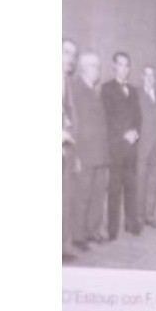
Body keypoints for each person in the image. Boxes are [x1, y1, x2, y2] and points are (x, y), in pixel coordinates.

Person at [69, 51, 109, 248]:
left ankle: (93, 230)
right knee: (83, 196)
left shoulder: (94, 90)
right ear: (84, 67)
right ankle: (79, 237)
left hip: (99, 154)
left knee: (97, 195)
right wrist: (76, 154)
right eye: (95, 66)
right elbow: (75, 124)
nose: (98, 70)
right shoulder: (76, 89)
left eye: (99, 67)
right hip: (85, 154)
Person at [101, 51, 142, 238]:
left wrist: (136, 132)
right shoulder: (107, 89)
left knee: (131, 186)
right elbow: (108, 118)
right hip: (116, 147)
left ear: (129, 68)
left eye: (126, 65)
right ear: (114, 67)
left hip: (131, 148)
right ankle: (112, 229)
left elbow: (138, 116)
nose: (124, 69)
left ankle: (131, 223)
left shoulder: (133, 91)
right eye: (120, 64)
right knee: (115, 189)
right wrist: (124, 134)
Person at [136, 65, 156, 228]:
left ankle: (150, 215)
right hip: (142, 147)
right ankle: (139, 217)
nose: (149, 78)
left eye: (152, 76)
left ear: (154, 79)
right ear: (142, 77)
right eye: (147, 75)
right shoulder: (137, 95)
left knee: (153, 183)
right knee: (140, 182)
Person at [61, 39, 79, 263]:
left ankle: (62, 247)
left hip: (66, 151)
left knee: (64, 200)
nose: (70, 58)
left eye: (73, 54)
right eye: (66, 52)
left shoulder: (67, 83)